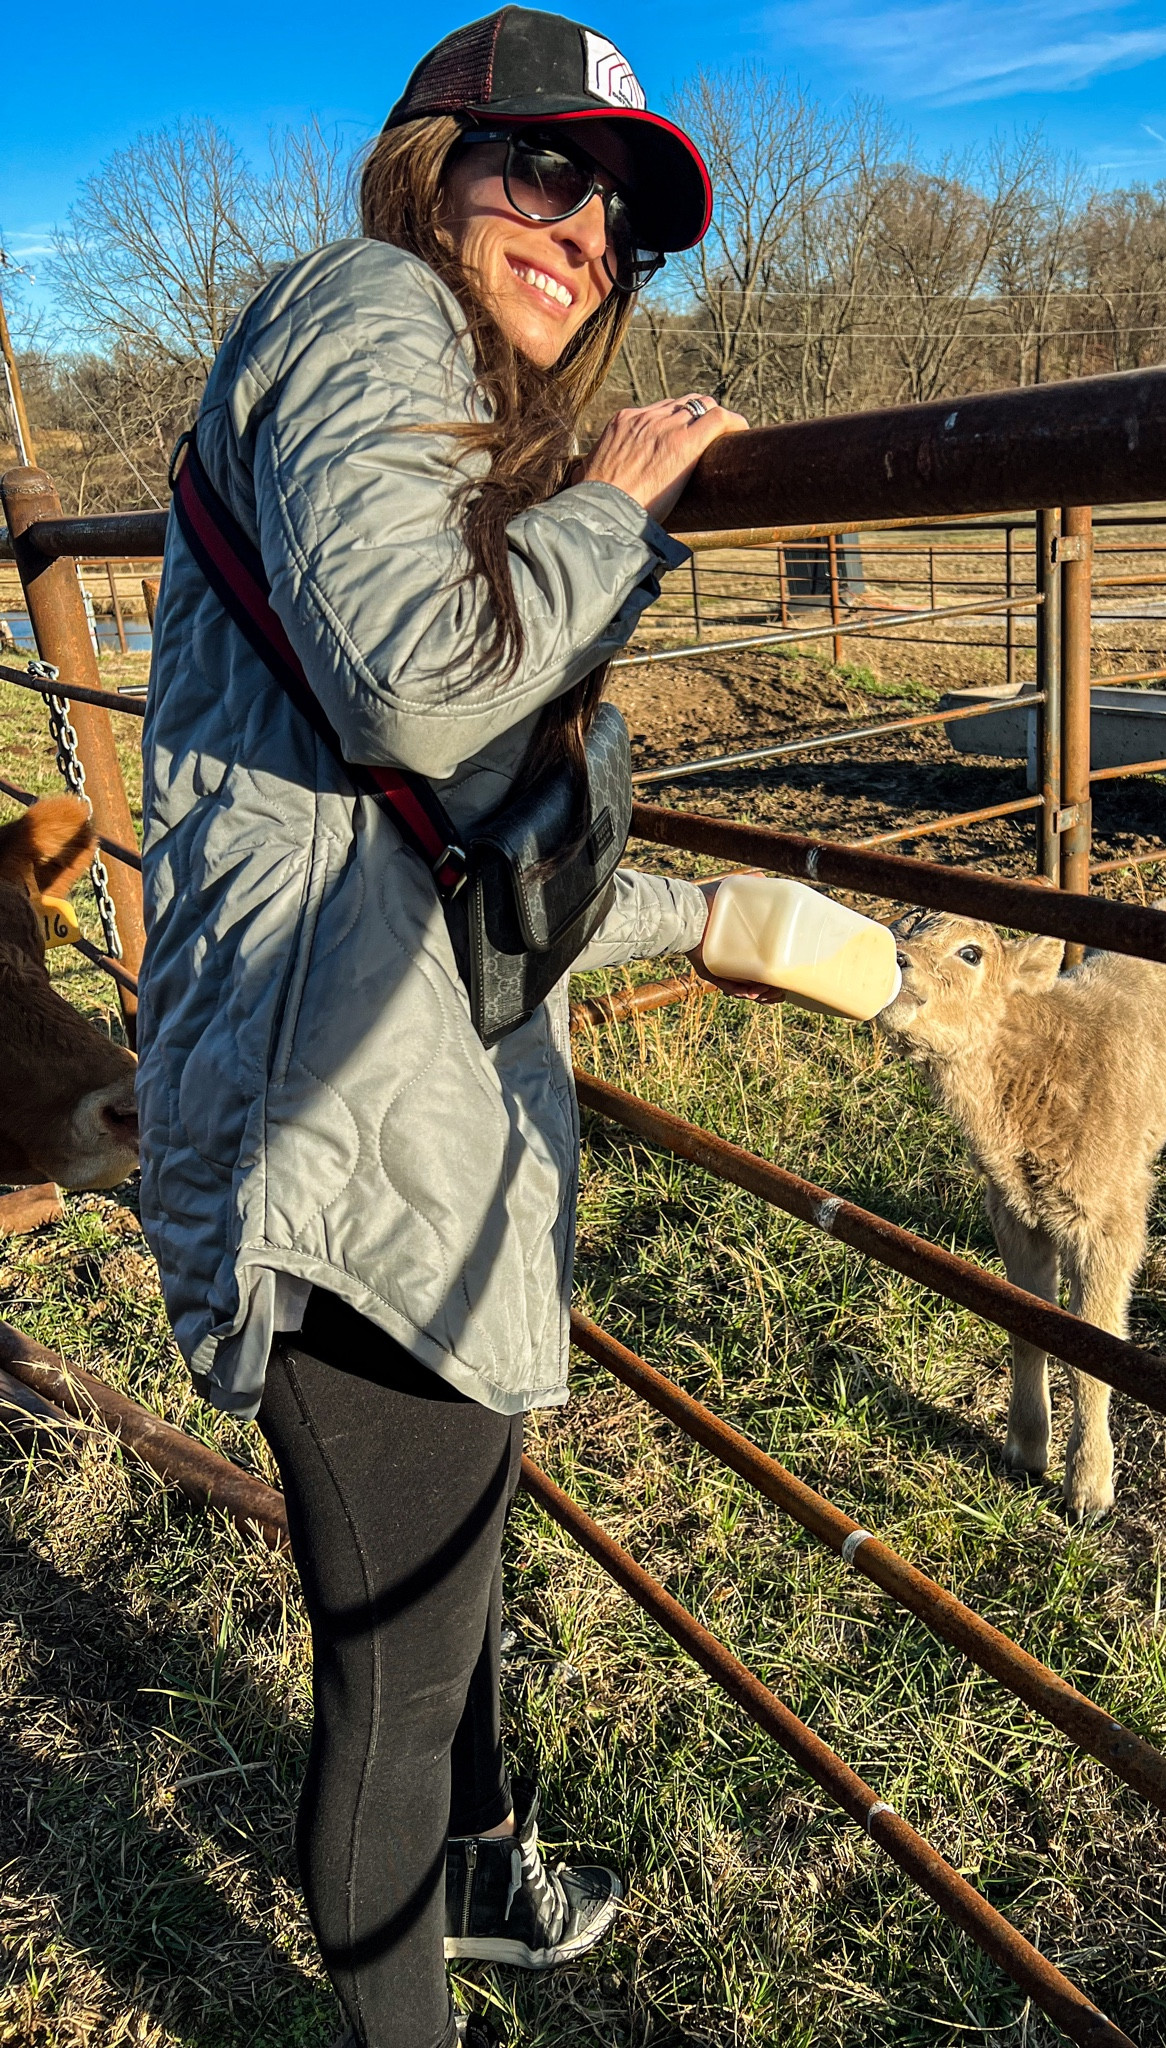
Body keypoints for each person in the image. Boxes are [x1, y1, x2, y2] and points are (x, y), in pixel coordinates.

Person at [135, 12, 755, 2045]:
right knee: (393, 1676)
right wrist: (624, 513)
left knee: (442, 1589)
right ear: (431, 165)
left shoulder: (438, 427)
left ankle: (482, 1874)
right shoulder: (364, 310)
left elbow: (469, 839)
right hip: (342, 1134)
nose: (583, 230)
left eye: (622, 214)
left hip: (384, 1099)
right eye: (541, 169)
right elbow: (417, 692)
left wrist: (723, 914)